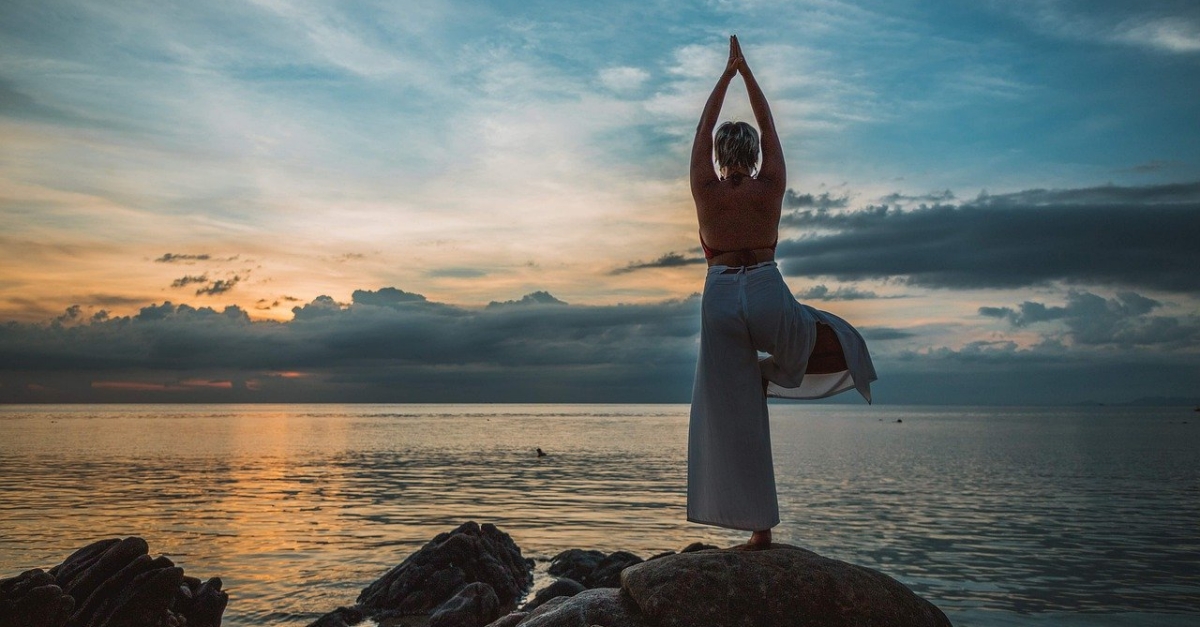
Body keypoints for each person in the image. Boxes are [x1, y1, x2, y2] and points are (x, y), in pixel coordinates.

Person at [687, 35, 878, 549]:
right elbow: (768, 126)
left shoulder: (705, 190)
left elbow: (703, 129)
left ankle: (757, 526)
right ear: (751, 154)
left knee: (733, 408)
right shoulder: (769, 185)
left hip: (721, 294)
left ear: (720, 155)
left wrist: (722, 76)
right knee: (805, 340)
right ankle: (778, 374)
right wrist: (746, 73)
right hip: (766, 288)